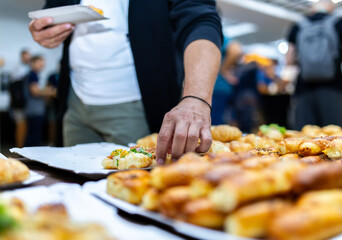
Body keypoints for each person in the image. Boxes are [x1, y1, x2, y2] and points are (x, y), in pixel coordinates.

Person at [28, 1, 222, 163]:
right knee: (73, 183)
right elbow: (52, 12)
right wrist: (44, 28)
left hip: (136, 104)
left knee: (135, 188)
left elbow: (200, 20)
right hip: (75, 100)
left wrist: (196, 99)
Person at [286, 0, 342, 130]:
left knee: (303, 139)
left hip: (304, 89)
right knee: (337, 137)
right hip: (334, 88)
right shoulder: (340, 22)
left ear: (312, 8)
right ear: (331, 7)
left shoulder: (298, 25)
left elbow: (289, 60)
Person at [24, 56, 56, 146]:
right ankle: (28, 158)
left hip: (34, 110)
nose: (42, 65)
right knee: (34, 137)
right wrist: (50, 91)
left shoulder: (33, 75)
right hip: (34, 110)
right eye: (40, 63)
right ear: (33, 63)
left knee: (33, 135)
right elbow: (35, 92)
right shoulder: (33, 75)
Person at [211, 36, 242, 125]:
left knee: (214, 123)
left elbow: (236, 50)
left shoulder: (218, 35)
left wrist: (223, 70)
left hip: (218, 87)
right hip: (222, 88)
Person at [9, 49, 31, 148]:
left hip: (25, 103)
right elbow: (16, 88)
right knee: (20, 125)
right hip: (18, 104)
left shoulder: (27, 68)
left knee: (24, 126)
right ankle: (19, 148)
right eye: (26, 56)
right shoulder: (18, 69)